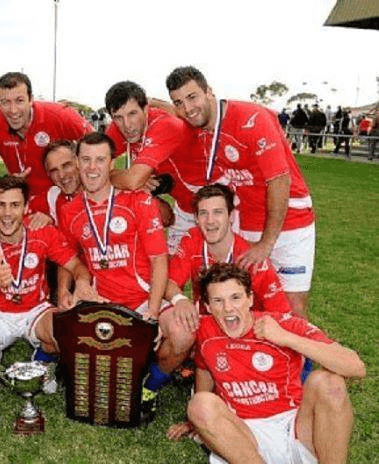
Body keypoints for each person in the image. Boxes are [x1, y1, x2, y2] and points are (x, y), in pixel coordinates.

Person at [166, 263, 365, 464]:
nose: (228, 308)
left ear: (250, 299)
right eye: (218, 300)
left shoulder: (281, 324)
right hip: (244, 433)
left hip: (293, 425)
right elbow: (204, 369)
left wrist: (285, 338)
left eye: (235, 297)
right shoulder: (206, 330)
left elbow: (355, 367)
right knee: (199, 404)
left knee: (328, 382)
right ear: (208, 307)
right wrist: (196, 423)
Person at [166, 66, 316, 320]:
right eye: (179, 102)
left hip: (290, 222)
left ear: (209, 92)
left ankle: (303, 358)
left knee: (291, 307)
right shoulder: (199, 125)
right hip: (245, 222)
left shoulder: (251, 118)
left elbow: (279, 181)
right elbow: (170, 111)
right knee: (249, 304)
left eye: (193, 97)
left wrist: (266, 243)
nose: (187, 108)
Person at [0, 175, 97, 392]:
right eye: (1, 205)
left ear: (26, 207)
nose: (7, 214)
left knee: (69, 335)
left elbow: (76, 266)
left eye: (15, 205)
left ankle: (43, 359)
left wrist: (82, 283)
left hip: (35, 310)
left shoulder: (42, 232)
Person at [56, 132, 170, 413]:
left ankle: (150, 384)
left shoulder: (139, 202)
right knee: (57, 331)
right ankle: (126, 363)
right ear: (77, 163)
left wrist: (153, 312)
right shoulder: (70, 210)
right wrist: (63, 292)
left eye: (99, 160)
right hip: (100, 300)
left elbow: (159, 260)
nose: (92, 168)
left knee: (181, 333)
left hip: (142, 299)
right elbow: (66, 257)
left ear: (112, 164)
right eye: (85, 160)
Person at [161, 184, 291, 380]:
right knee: (178, 331)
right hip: (206, 323)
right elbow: (168, 283)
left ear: (231, 216)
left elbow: (281, 313)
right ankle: (153, 382)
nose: (210, 221)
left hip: (245, 329)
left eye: (218, 212)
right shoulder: (191, 239)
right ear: (196, 219)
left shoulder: (250, 258)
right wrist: (180, 299)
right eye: (203, 213)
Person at [0, 72, 92, 212]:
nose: (13, 110)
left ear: (31, 99)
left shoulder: (60, 115)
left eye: (19, 100)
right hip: (20, 203)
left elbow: (99, 146)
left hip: (62, 198)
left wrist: (100, 182)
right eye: (5, 102)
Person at [103, 80, 201, 252]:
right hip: (185, 207)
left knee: (224, 273)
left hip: (215, 200)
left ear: (146, 110)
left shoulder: (165, 124)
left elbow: (132, 181)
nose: (127, 125)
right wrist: (126, 177)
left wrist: (116, 175)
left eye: (133, 113)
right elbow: (95, 165)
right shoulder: (118, 128)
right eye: (118, 117)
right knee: (174, 274)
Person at [41, 139, 81, 224]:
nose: (62, 175)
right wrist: (49, 220)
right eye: (54, 171)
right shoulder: (53, 196)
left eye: (66, 166)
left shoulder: (104, 193)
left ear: (79, 162)